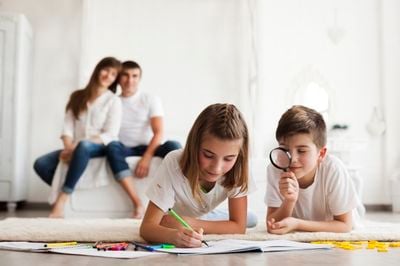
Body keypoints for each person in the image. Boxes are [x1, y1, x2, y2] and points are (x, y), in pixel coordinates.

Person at [140, 103, 256, 248]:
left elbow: (239, 228)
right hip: (177, 216)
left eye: (228, 158)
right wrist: (173, 236)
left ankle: (206, 217)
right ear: (194, 145)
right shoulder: (174, 162)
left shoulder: (238, 167)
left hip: (194, 217)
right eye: (208, 155)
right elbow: (147, 228)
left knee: (252, 219)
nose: (217, 168)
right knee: (166, 222)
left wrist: (190, 223)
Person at [33, 57, 122, 218]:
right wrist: (69, 148)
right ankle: (70, 188)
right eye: (106, 70)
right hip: (75, 147)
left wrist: (76, 147)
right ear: (98, 70)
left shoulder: (114, 101)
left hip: (99, 146)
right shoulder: (77, 96)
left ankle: (61, 202)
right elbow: (67, 127)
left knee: (84, 146)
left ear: (115, 79)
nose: (108, 75)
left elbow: (110, 133)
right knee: (41, 163)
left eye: (113, 74)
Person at [265, 105, 365, 234]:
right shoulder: (276, 168)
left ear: (321, 154)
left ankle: (358, 208)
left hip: (342, 218)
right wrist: (289, 201)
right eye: (285, 149)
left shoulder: (333, 168)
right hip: (308, 219)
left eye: (301, 151)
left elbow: (344, 225)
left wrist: (297, 224)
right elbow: (271, 223)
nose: (292, 159)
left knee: (357, 212)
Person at [105, 60, 181, 219]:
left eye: (134, 76)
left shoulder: (150, 99)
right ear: (119, 78)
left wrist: (146, 158)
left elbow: (158, 133)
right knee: (111, 147)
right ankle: (138, 204)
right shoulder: (112, 101)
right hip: (124, 147)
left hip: (149, 146)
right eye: (125, 75)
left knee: (175, 145)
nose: (130, 80)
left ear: (139, 78)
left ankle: (181, 202)